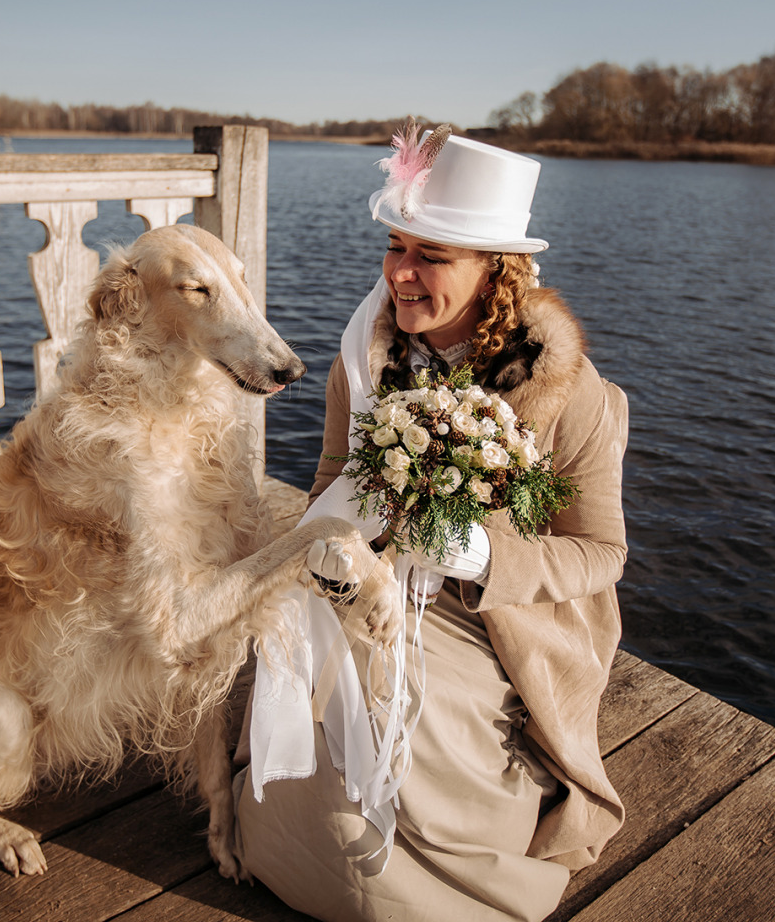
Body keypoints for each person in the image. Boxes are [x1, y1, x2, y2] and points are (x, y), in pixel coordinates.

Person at [234, 128, 630, 922]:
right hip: (370, 577)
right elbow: (328, 483)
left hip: (495, 617)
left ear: (496, 273)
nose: (400, 274)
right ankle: (283, 844)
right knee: (279, 649)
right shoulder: (366, 356)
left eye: (433, 255)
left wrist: (479, 550)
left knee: (387, 698)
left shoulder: (573, 393)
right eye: (395, 245)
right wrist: (334, 561)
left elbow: (602, 554)